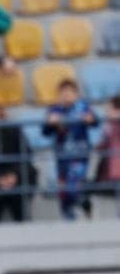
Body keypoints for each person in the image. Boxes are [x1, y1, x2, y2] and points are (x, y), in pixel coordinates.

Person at [43, 80, 99, 220]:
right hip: (62, 155)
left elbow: (96, 122)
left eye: (70, 92)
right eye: (64, 92)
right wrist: (50, 123)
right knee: (63, 191)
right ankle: (69, 218)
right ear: (59, 95)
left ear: (76, 94)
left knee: (73, 184)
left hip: (79, 154)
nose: (67, 95)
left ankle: (85, 204)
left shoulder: (83, 107)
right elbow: (45, 131)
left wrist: (90, 119)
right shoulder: (54, 109)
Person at [95, 95, 120, 188]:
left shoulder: (114, 125)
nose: (106, 112)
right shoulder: (108, 125)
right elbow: (103, 145)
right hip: (109, 168)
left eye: (109, 109)